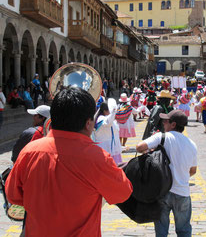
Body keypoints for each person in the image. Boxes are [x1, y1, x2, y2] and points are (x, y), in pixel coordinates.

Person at [5, 87, 132, 236]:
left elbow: (13, 195)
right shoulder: (98, 157)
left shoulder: (29, 151)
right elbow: (123, 193)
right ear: (88, 123)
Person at [136, 110, 197, 237]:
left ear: (173, 124)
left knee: (161, 231)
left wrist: (151, 152)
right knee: (184, 230)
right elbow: (193, 171)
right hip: (183, 192)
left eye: (166, 121)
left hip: (163, 191)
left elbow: (139, 147)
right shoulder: (192, 144)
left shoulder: (162, 137)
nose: (163, 123)